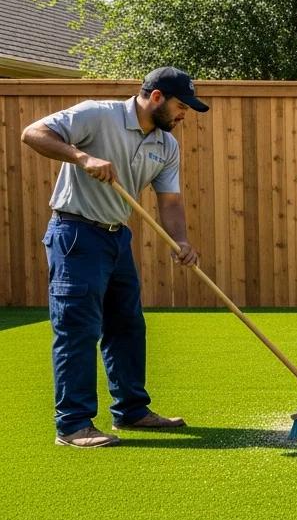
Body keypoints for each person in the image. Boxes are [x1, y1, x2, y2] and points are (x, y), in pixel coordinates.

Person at [20, 67, 208, 447]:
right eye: (180, 105)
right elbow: (32, 133)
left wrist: (181, 241)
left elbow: (169, 200)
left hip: (116, 237)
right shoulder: (97, 114)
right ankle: (73, 425)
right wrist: (82, 158)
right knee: (78, 329)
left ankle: (132, 411)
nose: (185, 113)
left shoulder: (166, 145)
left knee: (127, 326)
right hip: (75, 234)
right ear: (156, 98)